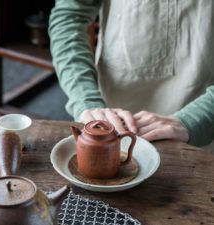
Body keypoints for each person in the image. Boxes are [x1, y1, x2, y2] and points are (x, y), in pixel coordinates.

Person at [49, 0, 214, 147]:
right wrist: (85, 98)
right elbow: (69, 17)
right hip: (114, 111)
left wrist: (198, 118)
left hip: (204, 120)